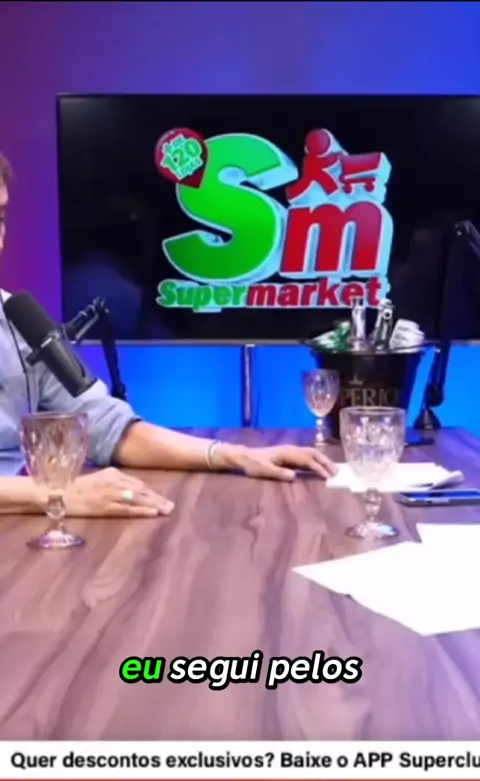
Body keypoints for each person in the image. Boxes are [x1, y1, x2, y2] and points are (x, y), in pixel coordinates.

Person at [0, 152, 337, 518]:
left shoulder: (16, 319)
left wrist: (234, 455)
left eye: (1, 217)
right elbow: (53, 490)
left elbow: (106, 426)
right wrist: (55, 493)